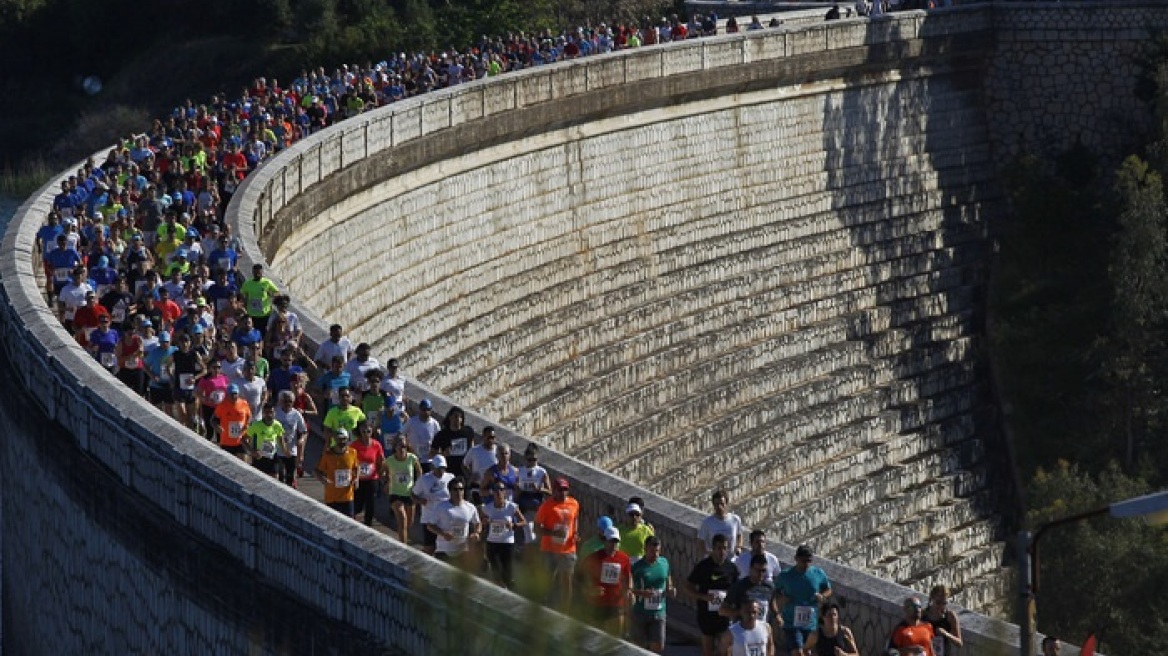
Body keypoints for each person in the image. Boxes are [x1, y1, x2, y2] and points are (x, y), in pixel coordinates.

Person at [686, 533, 740, 656]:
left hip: (724, 615)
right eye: (719, 548)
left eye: (725, 548)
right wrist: (702, 596)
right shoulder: (703, 566)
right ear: (713, 548)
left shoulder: (731, 568)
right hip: (706, 614)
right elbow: (688, 586)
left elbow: (737, 589)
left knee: (725, 651)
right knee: (708, 651)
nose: (722, 551)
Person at [775, 544, 833, 655]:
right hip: (791, 622)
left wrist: (823, 596)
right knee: (798, 652)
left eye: (809, 561)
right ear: (796, 559)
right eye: (803, 561)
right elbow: (775, 592)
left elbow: (828, 589)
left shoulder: (818, 573)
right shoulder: (786, 575)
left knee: (806, 652)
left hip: (810, 622)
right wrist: (782, 600)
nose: (806, 564)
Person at [577, 526, 633, 636]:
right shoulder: (593, 558)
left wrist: (629, 590)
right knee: (594, 638)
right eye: (611, 541)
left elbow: (628, 576)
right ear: (604, 541)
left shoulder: (624, 558)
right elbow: (579, 578)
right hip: (597, 604)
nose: (613, 545)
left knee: (616, 638)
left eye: (616, 542)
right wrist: (589, 589)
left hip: (616, 603)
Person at [534, 476, 580, 609]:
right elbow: (537, 528)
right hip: (549, 549)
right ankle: (542, 606)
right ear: (554, 490)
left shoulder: (574, 503)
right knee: (547, 579)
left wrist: (575, 533)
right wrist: (552, 533)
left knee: (567, 580)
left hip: (568, 548)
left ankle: (565, 609)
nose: (563, 493)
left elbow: (575, 518)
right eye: (560, 490)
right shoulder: (546, 506)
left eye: (565, 489)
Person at [630, 535, 675, 653]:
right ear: (645, 549)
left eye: (657, 551)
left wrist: (671, 589)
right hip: (640, 612)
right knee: (638, 648)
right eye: (652, 551)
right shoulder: (637, 567)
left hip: (659, 612)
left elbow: (668, 579)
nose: (655, 554)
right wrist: (641, 593)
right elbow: (629, 589)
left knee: (659, 647)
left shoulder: (664, 562)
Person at [480, 479, 526, 589]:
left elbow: (523, 522)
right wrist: (485, 522)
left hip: (507, 543)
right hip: (493, 542)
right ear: (493, 492)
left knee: (507, 573)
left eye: (501, 489)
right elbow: (481, 521)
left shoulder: (511, 507)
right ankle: (500, 591)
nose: (499, 492)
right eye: (496, 490)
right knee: (496, 570)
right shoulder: (488, 507)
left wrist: (513, 525)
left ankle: (508, 590)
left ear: (505, 492)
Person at [429, 477, 481, 568]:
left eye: (461, 489)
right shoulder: (441, 507)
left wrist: (476, 533)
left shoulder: (470, 507)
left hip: (462, 550)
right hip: (444, 550)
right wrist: (443, 533)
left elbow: (478, 523)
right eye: (455, 489)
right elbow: (430, 525)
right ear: (450, 491)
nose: (458, 492)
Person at [412, 454, 455, 555]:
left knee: (446, 547)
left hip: (446, 518)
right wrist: (421, 501)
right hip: (429, 518)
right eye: (438, 468)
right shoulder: (424, 479)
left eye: (443, 468)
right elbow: (413, 495)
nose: (441, 471)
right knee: (430, 548)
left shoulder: (451, 477)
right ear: (433, 467)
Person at [382, 438, 422, 544]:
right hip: (395, 493)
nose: (402, 449)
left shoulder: (412, 458)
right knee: (402, 519)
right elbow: (382, 473)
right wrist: (386, 482)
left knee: (409, 522)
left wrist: (418, 486)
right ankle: (403, 547)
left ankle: (403, 534)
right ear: (395, 447)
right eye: (399, 446)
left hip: (409, 493)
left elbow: (419, 472)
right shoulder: (389, 460)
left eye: (404, 446)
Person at [722, 553, 779, 627]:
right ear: (751, 569)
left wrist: (777, 615)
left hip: (761, 630)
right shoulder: (739, 586)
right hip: (742, 630)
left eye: (763, 571)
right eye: (758, 570)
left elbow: (772, 603)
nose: (761, 574)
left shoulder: (769, 586)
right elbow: (722, 610)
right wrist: (741, 612)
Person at [315, 428, 360, 518]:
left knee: (349, 523)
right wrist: (324, 480)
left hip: (348, 496)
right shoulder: (328, 454)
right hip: (332, 497)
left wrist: (357, 479)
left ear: (347, 439)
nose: (342, 441)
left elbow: (356, 467)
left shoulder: (352, 452)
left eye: (344, 439)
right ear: (334, 439)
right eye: (339, 439)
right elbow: (317, 471)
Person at [351, 421, 385, 526]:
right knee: (358, 505)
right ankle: (354, 522)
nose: (366, 434)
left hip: (372, 478)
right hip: (359, 479)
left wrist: (381, 474)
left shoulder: (376, 445)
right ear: (360, 432)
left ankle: (368, 524)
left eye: (368, 431)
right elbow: (350, 462)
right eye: (363, 431)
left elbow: (381, 460)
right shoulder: (354, 445)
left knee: (371, 503)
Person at [273, 390, 308, 487]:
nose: (287, 403)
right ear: (281, 401)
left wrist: (301, 440)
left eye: (290, 401)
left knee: (290, 477)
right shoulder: (276, 412)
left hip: (292, 450)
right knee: (281, 475)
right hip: (278, 449)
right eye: (285, 401)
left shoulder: (296, 414)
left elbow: (304, 431)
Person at [431, 406, 474, 480]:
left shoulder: (468, 432)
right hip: (448, 471)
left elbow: (472, 448)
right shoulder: (442, 435)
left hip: (465, 470)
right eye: (456, 416)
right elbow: (431, 454)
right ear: (450, 417)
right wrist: (443, 454)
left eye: (460, 417)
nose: (458, 419)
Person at [699, 490, 745, 555]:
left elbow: (739, 535)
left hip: (731, 560)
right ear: (713, 505)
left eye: (722, 504)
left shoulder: (735, 519)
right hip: (714, 561)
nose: (719, 507)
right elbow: (700, 541)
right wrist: (708, 553)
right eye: (716, 504)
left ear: (726, 504)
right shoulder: (707, 522)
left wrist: (739, 547)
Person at [245, 403, 284, 477]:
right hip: (260, 457)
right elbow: (243, 439)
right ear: (263, 413)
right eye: (267, 412)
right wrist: (252, 451)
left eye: (271, 412)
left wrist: (285, 451)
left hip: (273, 456)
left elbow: (280, 438)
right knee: (259, 480)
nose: (269, 415)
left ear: (274, 413)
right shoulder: (256, 425)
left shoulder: (277, 425)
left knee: (275, 479)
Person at [214, 383, 252, 459]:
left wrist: (247, 424)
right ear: (227, 395)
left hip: (241, 440)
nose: (234, 396)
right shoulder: (222, 405)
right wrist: (216, 426)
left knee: (243, 464)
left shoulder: (244, 403)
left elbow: (249, 416)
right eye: (232, 394)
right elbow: (213, 419)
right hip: (226, 442)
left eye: (235, 394)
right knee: (227, 465)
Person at [239, 263, 278, 336]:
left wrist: (271, 294)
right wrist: (243, 302)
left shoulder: (267, 282)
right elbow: (242, 294)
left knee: (264, 334)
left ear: (262, 273)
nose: (257, 275)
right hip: (252, 314)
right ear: (253, 272)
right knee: (253, 334)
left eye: (259, 273)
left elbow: (277, 292)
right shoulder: (247, 283)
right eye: (256, 273)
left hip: (265, 314)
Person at [924, 584, 963, 656]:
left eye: (944, 603)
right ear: (932, 599)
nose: (941, 606)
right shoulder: (923, 615)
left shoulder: (950, 616)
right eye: (938, 603)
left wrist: (946, 634)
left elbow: (959, 643)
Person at [403, 398, 440, 471]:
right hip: (414, 458)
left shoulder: (435, 424)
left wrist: (435, 451)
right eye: (423, 409)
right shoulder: (412, 422)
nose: (425, 412)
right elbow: (401, 435)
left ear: (431, 410)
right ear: (419, 409)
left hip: (429, 460)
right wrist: (408, 447)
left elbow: (439, 440)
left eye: (428, 410)